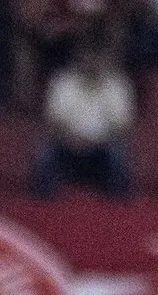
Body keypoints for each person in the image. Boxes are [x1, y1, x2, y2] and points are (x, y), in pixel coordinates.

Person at [32, 38, 135, 199]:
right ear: (79, 57)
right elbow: (53, 120)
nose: (92, 61)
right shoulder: (63, 82)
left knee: (118, 151)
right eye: (88, 56)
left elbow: (123, 125)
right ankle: (42, 196)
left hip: (102, 144)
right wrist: (72, 138)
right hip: (68, 142)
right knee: (45, 149)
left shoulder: (117, 84)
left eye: (97, 57)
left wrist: (96, 141)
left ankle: (119, 198)